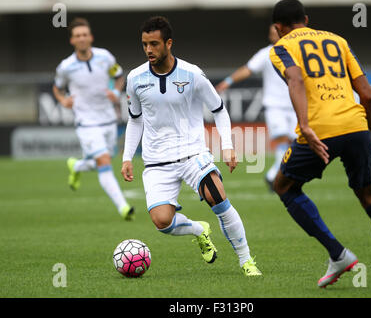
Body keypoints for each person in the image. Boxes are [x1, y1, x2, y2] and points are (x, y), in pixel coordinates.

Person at [270, 0, 371, 288]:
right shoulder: (338, 40)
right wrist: (369, 135)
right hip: (355, 125)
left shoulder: (281, 47)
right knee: (370, 196)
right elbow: (367, 95)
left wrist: (306, 126)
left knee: (283, 186)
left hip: (320, 130)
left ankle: (338, 254)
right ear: (306, 19)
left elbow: (295, 79)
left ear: (278, 27)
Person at [121, 16, 261, 276]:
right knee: (162, 222)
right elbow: (135, 119)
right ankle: (199, 230)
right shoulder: (135, 78)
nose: (149, 50)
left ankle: (246, 261)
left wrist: (228, 146)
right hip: (156, 161)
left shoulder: (192, 74)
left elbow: (219, 109)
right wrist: (127, 157)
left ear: (169, 43)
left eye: (154, 44)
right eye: (144, 44)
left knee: (216, 196)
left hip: (191, 153)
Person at [53, 18, 135, 221]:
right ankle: (123, 207)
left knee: (98, 162)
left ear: (90, 37)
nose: (81, 38)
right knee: (104, 162)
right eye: (77, 35)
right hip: (86, 123)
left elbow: (119, 75)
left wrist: (116, 92)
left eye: (84, 34)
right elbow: (57, 87)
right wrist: (63, 101)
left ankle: (76, 166)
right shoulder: (66, 67)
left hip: (108, 120)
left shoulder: (105, 57)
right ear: (72, 40)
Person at [215, 25, 297, 191]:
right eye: (270, 33)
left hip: (295, 104)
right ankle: (274, 175)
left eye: (274, 32)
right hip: (275, 105)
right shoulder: (266, 53)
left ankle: (277, 174)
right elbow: (248, 69)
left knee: (294, 143)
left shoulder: (295, 51)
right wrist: (229, 81)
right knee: (282, 139)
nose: (272, 36)